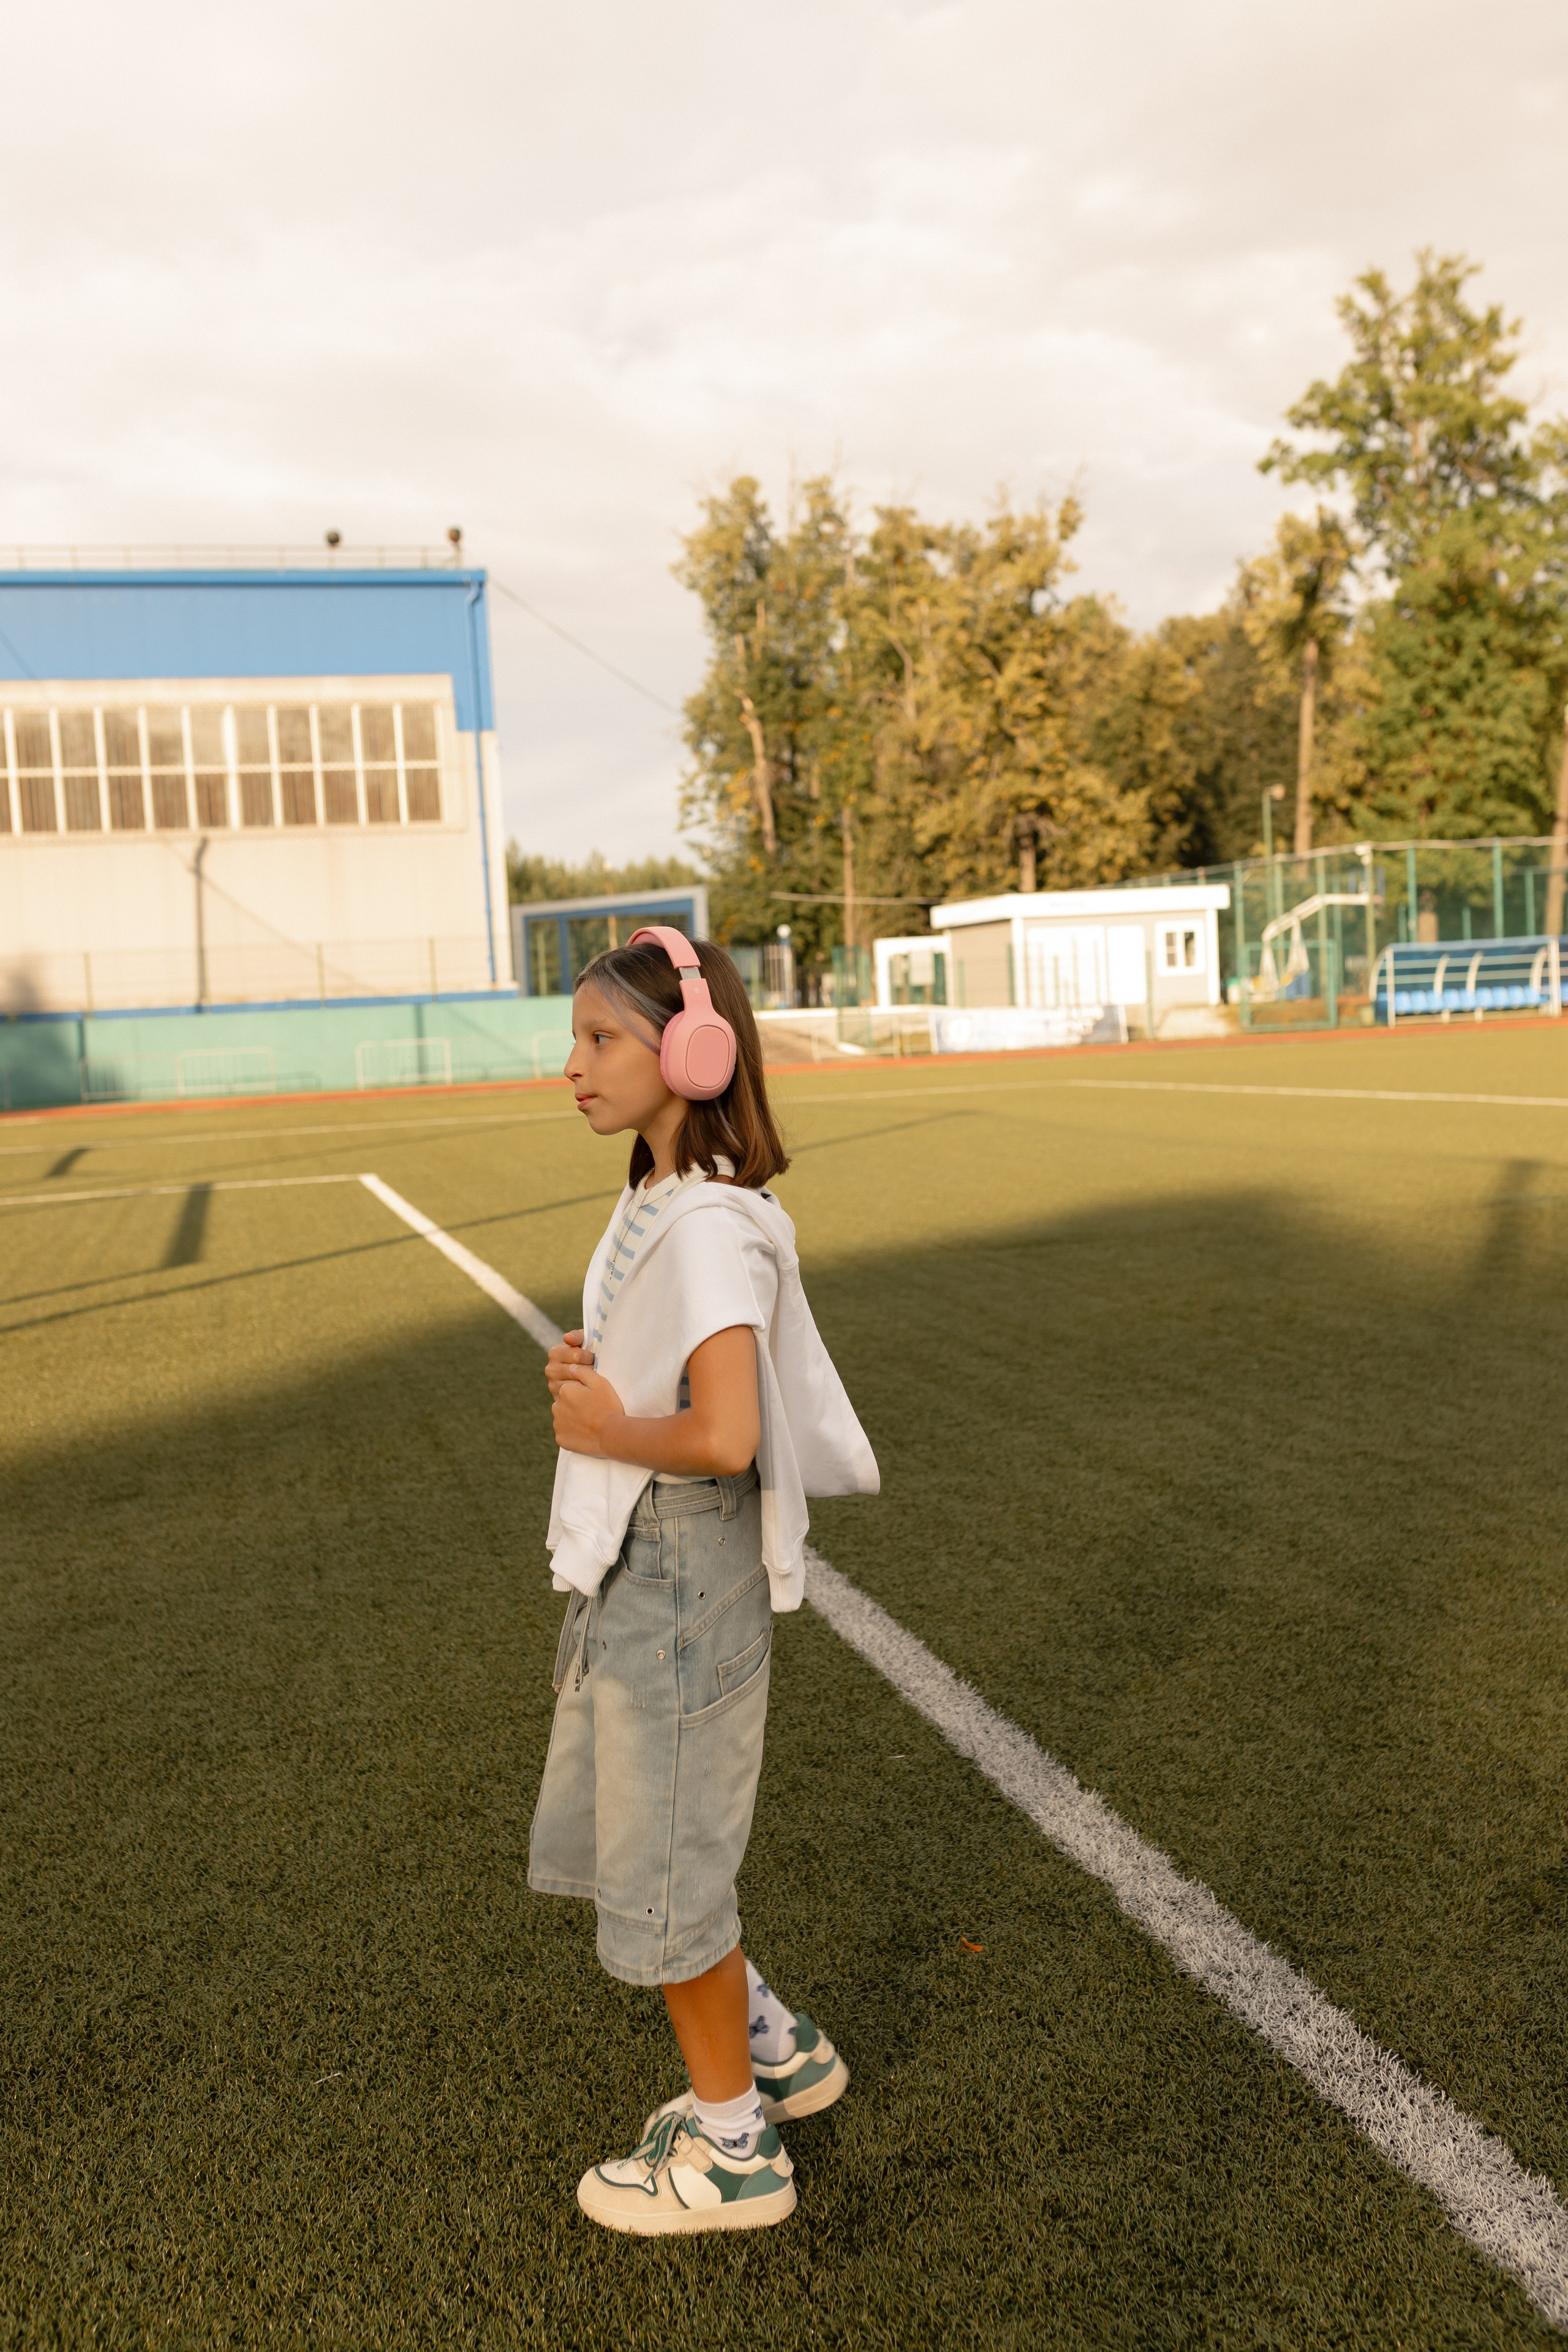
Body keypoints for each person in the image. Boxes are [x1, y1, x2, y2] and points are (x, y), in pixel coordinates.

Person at [529, 928, 878, 2236]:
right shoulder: (661, 1202)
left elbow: (724, 1434)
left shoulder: (705, 1227)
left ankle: (735, 2154)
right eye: (574, 1041)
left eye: (601, 1040)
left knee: (668, 1863)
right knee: (655, 1833)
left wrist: (605, 1431)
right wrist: (598, 1383)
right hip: (658, 1562)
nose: (572, 1067)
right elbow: (672, 1375)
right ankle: (773, 2046)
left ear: (694, 1051)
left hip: (681, 1567)